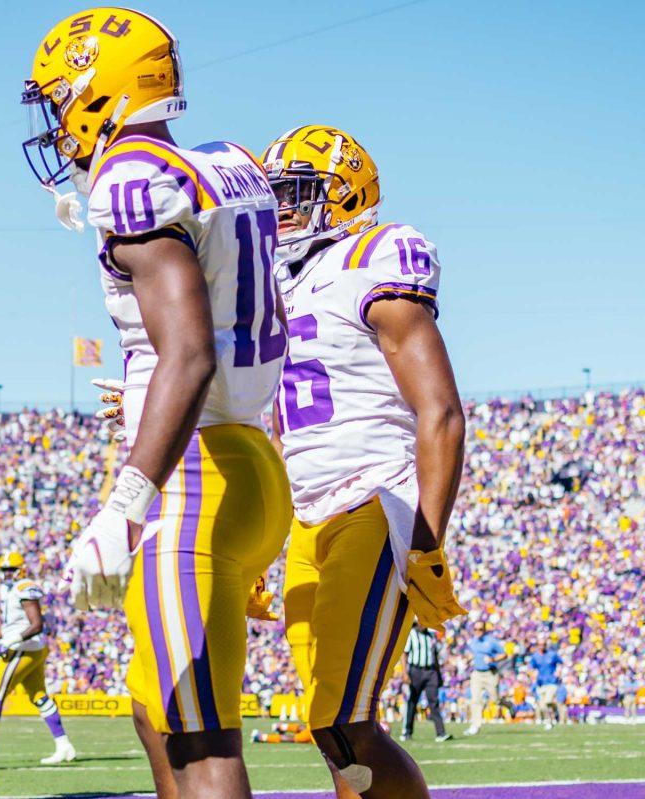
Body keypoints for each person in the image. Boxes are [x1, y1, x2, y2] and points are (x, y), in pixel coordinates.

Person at [21, 9, 292, 796]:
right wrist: (145, 383)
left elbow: (191, 350)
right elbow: (222, 326)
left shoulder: (132, 179)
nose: (57, 118)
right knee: (153, 702)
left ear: (97, 92)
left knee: (201, 737)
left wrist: (125, 502)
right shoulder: (229, 162)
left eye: (60, 97)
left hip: (196, 475)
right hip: (246, 455)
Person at [263, 124, 467, 799]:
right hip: (304, 520)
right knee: (331, 733)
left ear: (345, 193)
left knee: (342, 721)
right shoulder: (279, 285)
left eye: (296, 192)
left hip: (373, 503)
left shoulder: (376, 258)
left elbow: (439, 410)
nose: (282, 209)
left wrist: (424, 540)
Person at [0, 551, 77, 765]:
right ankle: (64, 745)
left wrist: (11, 640)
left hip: (22, 649)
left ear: (21, 569)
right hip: (30, 648)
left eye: (10, 570)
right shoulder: (12, 590)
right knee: (39, 696)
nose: (6, 574)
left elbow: (36, 624)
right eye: (4, 570)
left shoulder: (24, 587)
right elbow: (9, 626)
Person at [401, 622, 451, 742]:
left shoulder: (431, 636)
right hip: (416, 671)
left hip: (431, 671)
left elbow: (435, 655)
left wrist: (438, 675)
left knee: (434, 702)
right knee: (412, 701)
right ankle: (407, 732)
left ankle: (441, 733)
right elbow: (404, 654)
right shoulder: (411, 634)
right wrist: (404, 673)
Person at [465, 621, 507, 736]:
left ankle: (508, 705)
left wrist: (493, 660)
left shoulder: (491, 641)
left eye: (480, 629)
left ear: (484, 630)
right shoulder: (472, 641)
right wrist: (468, 657)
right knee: (475, 700)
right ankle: (475, 726)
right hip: (477, 674)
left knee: (495, 700)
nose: (477, 632)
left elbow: (504, 654)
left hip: (490, 674)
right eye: (475, 629)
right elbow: (469, 653)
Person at [528, 639, 563, 729]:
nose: (542, 646)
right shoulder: (535, 656)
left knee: (548, 701)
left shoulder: (552, 655)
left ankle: (553, 714)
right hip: (541, 683)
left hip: (551, 682)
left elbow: (561, 663)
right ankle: (549, 720)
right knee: (543, 706)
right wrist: (533, 674)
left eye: (543, 644)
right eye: (540, 644)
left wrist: (558, 671)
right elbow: (531, 667)